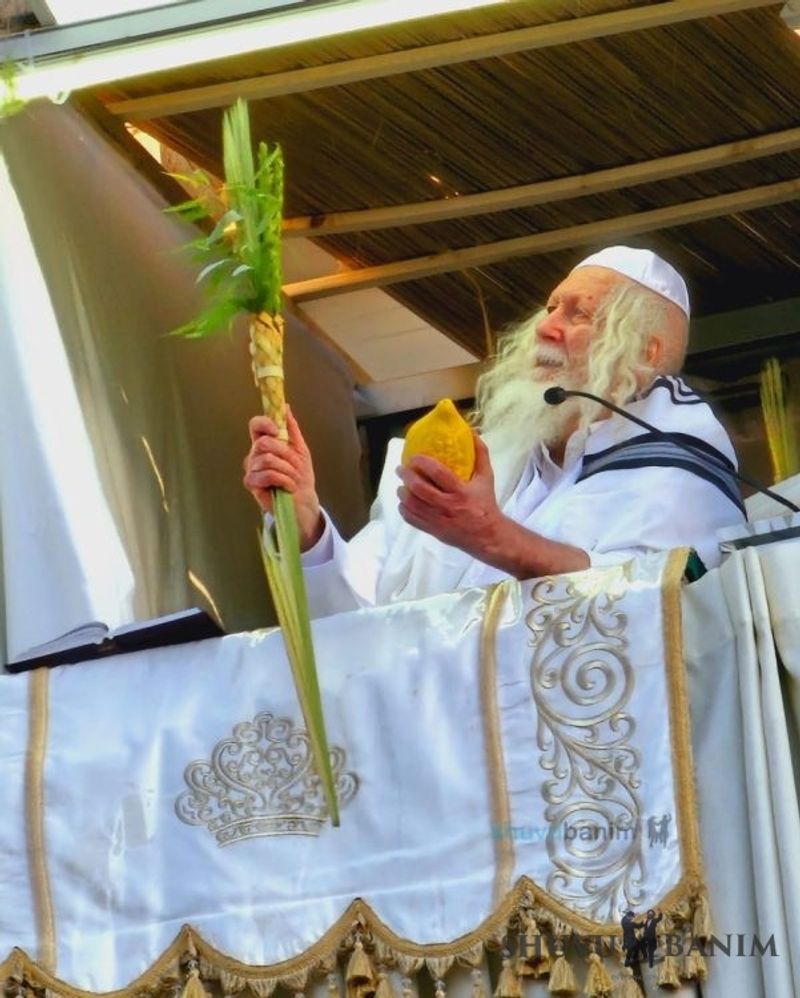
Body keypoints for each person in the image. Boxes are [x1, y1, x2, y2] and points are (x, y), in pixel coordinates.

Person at [243, 245, 745, 618]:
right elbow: (365, 615)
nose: (546, 327)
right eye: (551, 307)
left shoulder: (678, 468)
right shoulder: (485, 455)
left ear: (645, 352)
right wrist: (306, 526)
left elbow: (653, 606)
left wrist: (488, 535)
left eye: (579, 313)